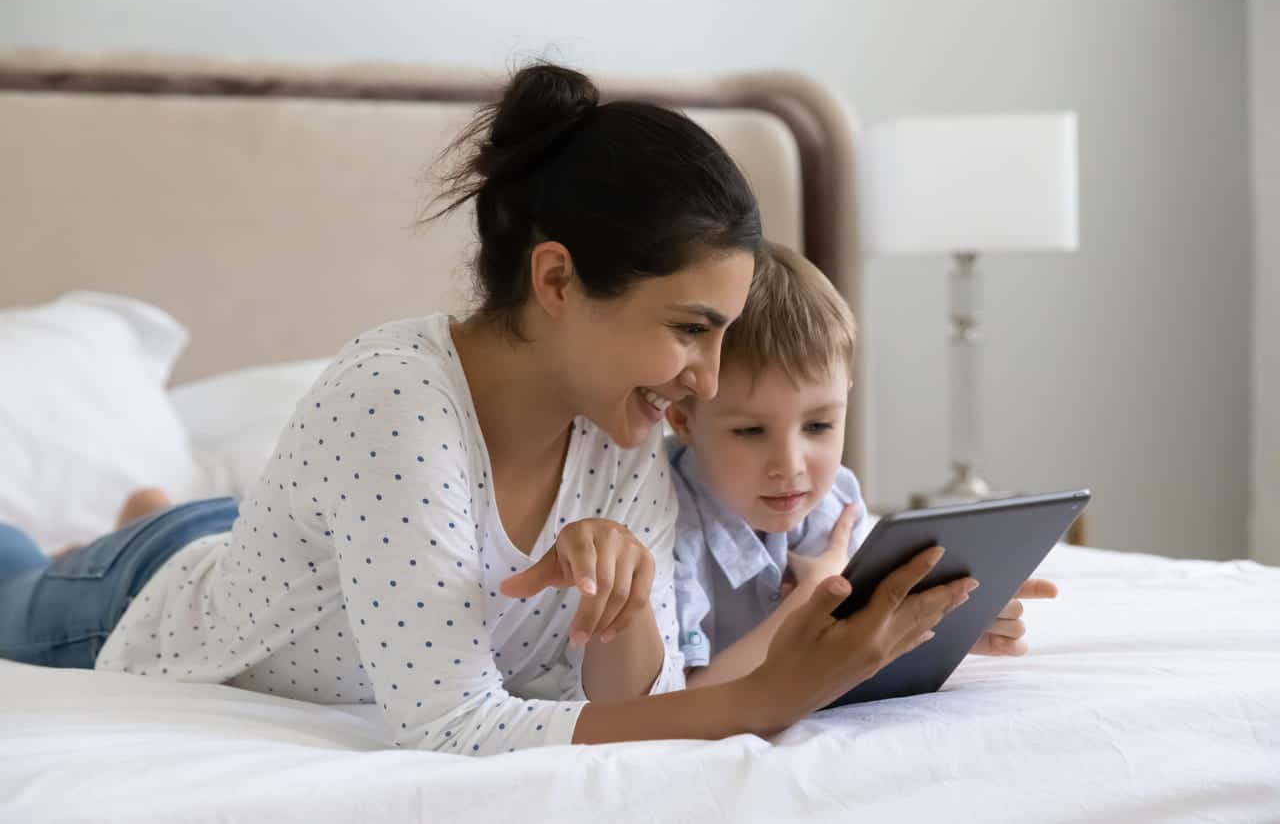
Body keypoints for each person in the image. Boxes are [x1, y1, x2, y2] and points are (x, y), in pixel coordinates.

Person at [0, 64, 975, 756]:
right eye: (689, 328)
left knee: (213, 524)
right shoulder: (395, 400)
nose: (708, 381)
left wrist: (627, 611)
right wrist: (772, 694)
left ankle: (151, 510)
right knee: (16, 563)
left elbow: (639, 701)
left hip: (290, 554)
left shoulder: (625, 421)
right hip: (129, 610)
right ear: (555, 278)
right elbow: (451, 725)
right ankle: (132, 526)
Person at [665, 242, 1058, 689]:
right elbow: (689, 696)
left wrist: (944, 625)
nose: (791, 466)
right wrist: (810, 602)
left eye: (819, 425)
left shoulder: (835, 501)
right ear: (682, 419)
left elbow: (852, 639)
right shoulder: (664, 520)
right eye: (751, 432)